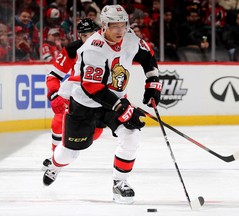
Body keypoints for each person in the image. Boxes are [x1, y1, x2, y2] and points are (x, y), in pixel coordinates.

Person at [42, 4, 161, 205]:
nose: (119, 31)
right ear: (104, 26)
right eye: (114, 26)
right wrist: (123, 108)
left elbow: (147, 56)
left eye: (122, 25)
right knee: (70, 153)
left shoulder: (130, 38)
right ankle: (54, 166)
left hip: (113, 100)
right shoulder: (93, 48)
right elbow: (92, 88)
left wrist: (153, 84)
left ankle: (119, 183)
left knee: (131, 136)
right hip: (85, 104)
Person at [43, 18, 100, 170]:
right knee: (58, 120)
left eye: (91, 34)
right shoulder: (72, 49)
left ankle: (69, 152)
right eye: (84, 35)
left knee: (94, 135)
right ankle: (56, 156)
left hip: (101, 96)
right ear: (79, 36)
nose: (88, 39)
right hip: (77, 93)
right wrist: (55, 93)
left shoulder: (109, 48)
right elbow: (53, 75)